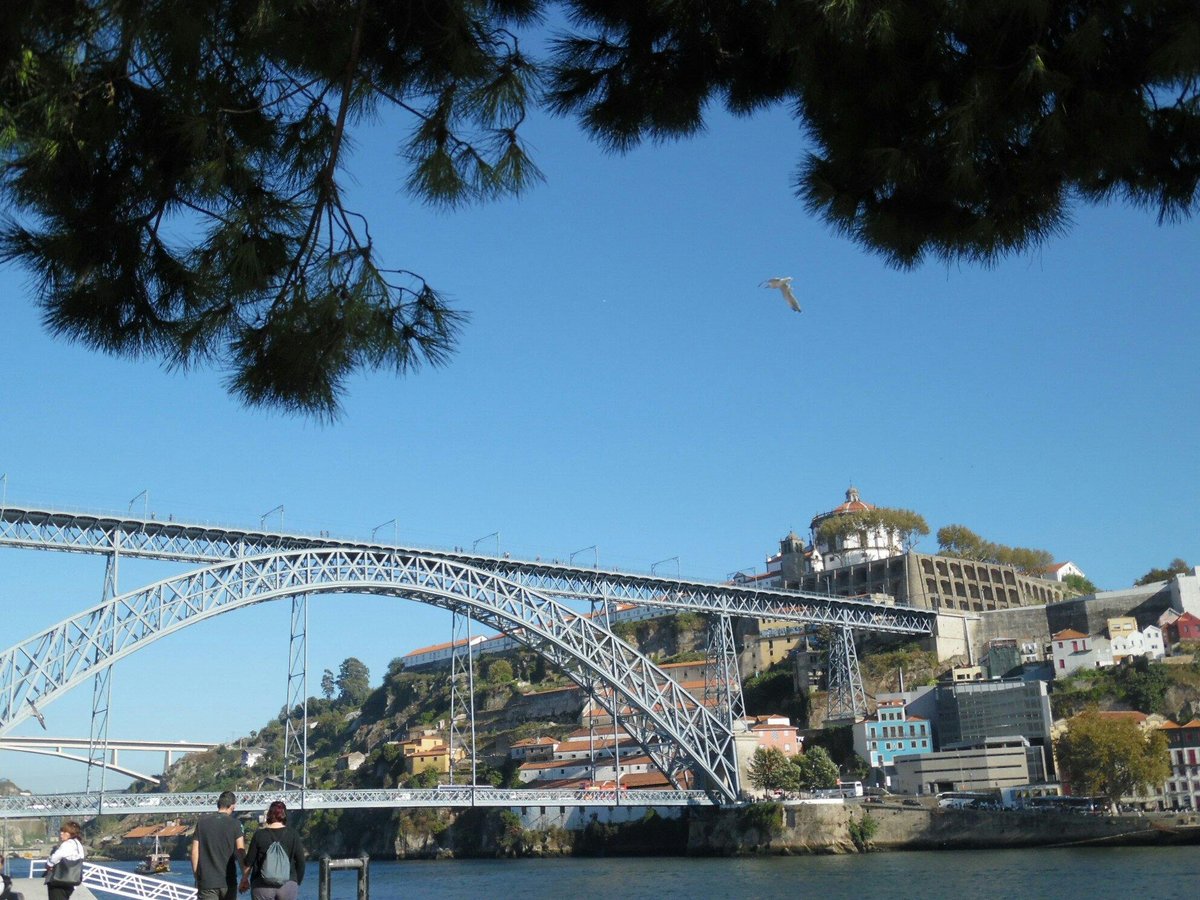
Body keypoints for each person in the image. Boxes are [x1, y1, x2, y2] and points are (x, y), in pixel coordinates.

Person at [239, 801, 305, 900]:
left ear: (269, 815)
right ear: (284, 815)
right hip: (288, 885)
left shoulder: (259, 835)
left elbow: (249, 862)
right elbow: (301, 862)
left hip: (261, 885)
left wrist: (244, 879)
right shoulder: (293, 834)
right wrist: (295, 881)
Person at [191, 791, 246, 900]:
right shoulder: (236, 824)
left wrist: (197, 877)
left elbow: (194, 852)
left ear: (219, 804)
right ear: (232, 806)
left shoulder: (202, 823)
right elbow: (240, 852)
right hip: (228, 882)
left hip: (207, 882)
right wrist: (245, 877)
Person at [44, 822, 85, 900]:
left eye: (64, 832)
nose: (61, 834)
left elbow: (56, 857)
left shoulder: (68, 844)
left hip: (60, 881)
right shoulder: (78, 844)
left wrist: (48, 864)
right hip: (71, 880)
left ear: (70, 833)